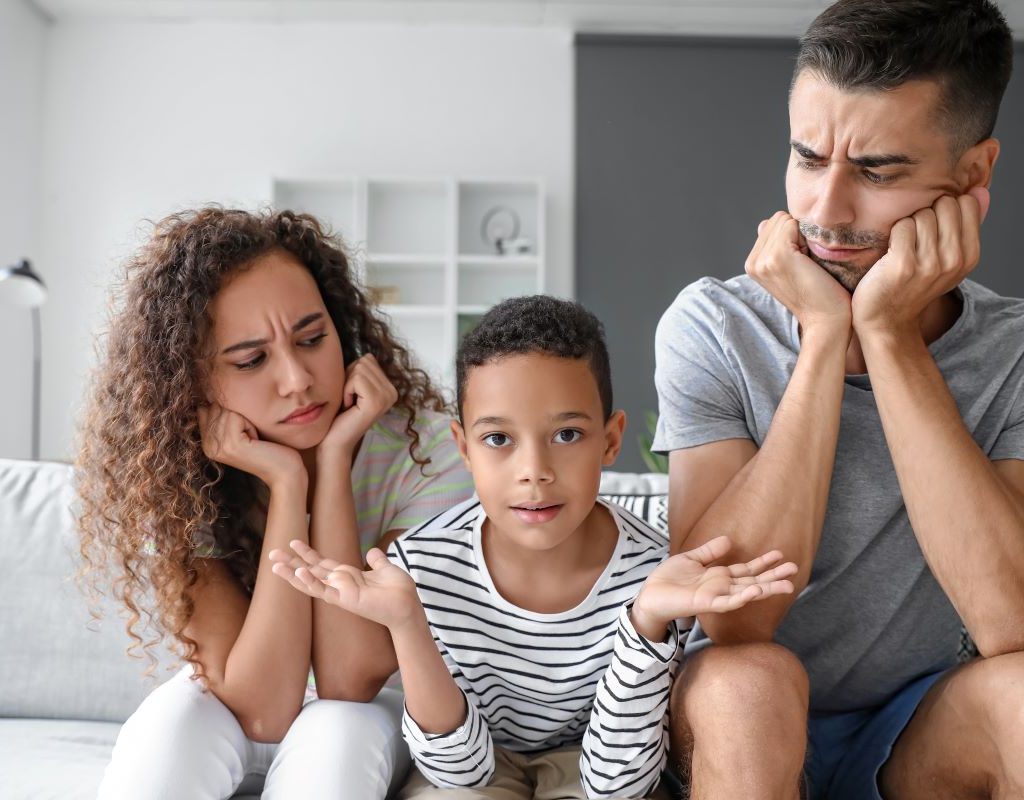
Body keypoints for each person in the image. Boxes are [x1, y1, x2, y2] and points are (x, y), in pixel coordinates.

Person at [652, 1, 1024, 798]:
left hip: (919, 723)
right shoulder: (712, 325)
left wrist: (888, 337)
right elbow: (732, 616)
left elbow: (1012, 623)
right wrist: (823, 339)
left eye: (877, 171)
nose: (824, 210)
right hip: (742, 704)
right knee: (750, 683)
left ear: (972, 174)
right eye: (807, 157)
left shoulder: (1014, 350)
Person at [270, 295, 797, 800]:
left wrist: (646, 623)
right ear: (464, 448)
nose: (534, 472)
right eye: (498, 439)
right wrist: (408, 624)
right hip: (474, 764)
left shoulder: (655, 574)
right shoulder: (423, 566)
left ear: (611, 440)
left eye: (566, 435)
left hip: (594, 767)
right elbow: (458, 773)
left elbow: (618, 786)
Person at [76, 207, 475, 799]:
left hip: (371, 710)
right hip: (242, 698)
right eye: (251, 360)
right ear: (193, 381)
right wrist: (288, 484)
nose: (297, 379)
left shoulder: (432, 453)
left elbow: (348, 679)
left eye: (312, 339)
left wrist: (332, 464)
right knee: (170, 726)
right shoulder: (173, 480)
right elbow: (260, 710)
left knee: (336, 732)